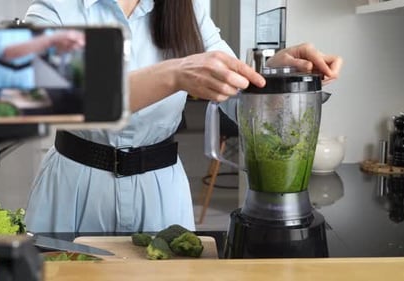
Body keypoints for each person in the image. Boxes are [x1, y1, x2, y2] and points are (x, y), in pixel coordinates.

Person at [23, 0, 343, 233]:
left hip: (160, 191)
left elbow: (239, 94)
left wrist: (277, 74)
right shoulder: (57, 7)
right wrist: (174, 73)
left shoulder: (187, 9)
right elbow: (55, 97)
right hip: (75, 187)